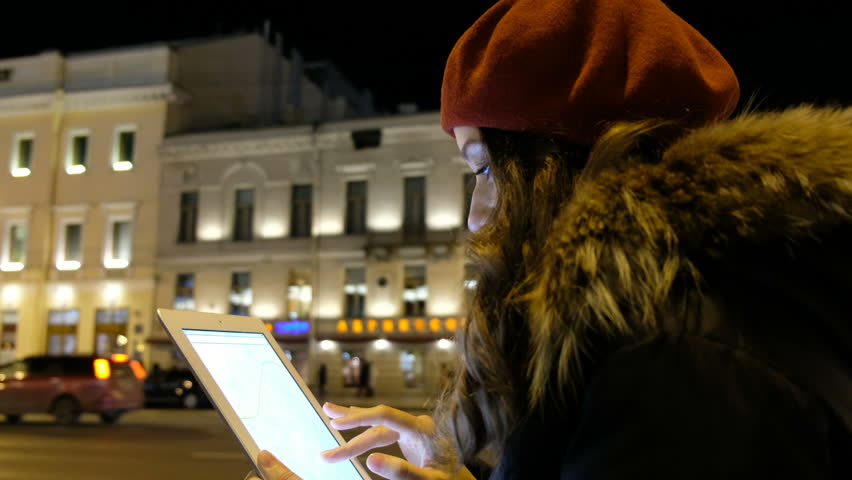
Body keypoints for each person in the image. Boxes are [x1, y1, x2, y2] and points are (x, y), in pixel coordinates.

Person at [247, 0, 852, 479]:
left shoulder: (678, 362)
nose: (475, 219)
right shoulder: (697, 317)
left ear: (558, 172)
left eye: (484, 170)